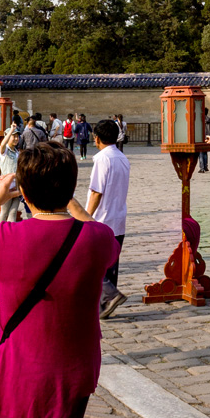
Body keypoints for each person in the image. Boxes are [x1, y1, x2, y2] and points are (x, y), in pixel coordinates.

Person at [0, 140, 118, 418]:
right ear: (70, 189)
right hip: (75, 366)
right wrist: (71, 203)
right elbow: (102, 234)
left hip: (20, 367)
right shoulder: (97, 239)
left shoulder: (5, 238)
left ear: (24, 194)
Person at [83, 119, 130, 317]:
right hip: (118, 217)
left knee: (91, 262)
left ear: (97, 138)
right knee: (110, 264)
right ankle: (104, 305)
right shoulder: (122, 157)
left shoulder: (102, 158)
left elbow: (96, 191)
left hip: (102, 218)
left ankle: (110, 295)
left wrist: (85, 216)